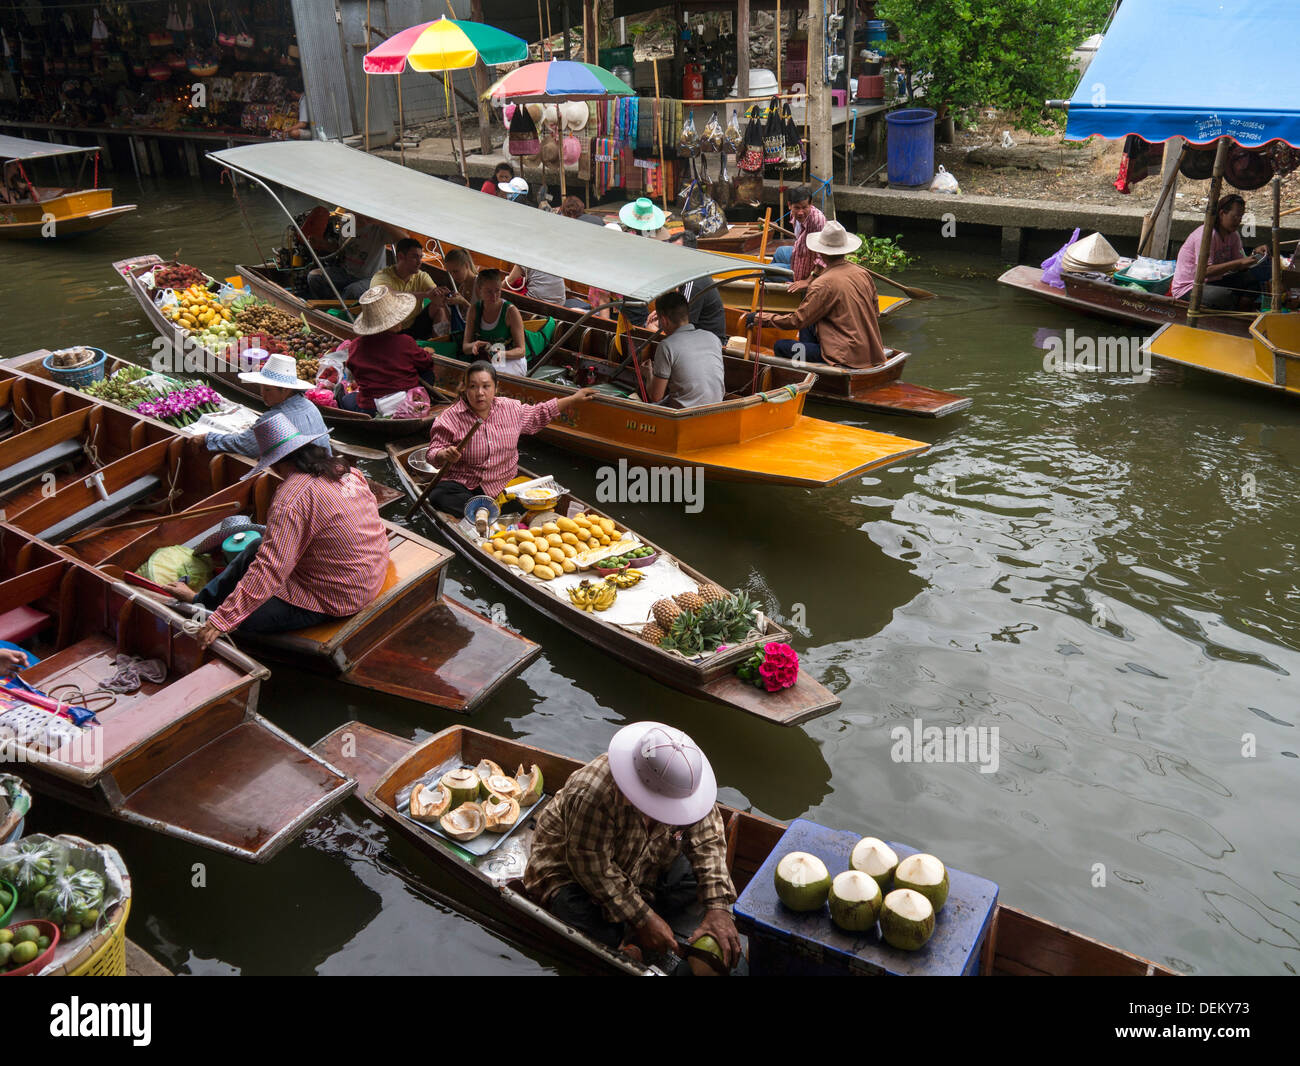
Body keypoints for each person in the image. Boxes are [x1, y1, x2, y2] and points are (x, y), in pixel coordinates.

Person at [523, 721, 742, 972]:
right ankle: (626, 941)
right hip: (573, 872)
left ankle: (652, 932)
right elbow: (593, 870)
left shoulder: (686, 786)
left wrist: (718, 908)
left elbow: (708, 841)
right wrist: (643, 918)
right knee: (580, 918)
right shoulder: (593, 792)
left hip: (646, 867)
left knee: (695, 883)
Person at [167, 413, 391, 649]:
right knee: (256, 546)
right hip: (370, 569)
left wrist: (223, 619)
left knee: (243, 620)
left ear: (274, 463)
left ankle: (209, 610)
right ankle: (202, 600)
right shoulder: (344, 471)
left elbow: (272, 567)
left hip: (337, 596)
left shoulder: (291, 498)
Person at [424, 361, 595, 516]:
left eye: (486, 386)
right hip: (467, 485)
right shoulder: (450, 417)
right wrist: (444, 454)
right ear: (465, 389)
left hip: (504, 485)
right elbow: (432, 453)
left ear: (495, 388)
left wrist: (573, 399)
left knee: (537, 501)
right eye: (473, 387)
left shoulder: (510, 408)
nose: (480, 393)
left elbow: (540, 413)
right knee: (439, 495)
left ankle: (485, 513)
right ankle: (484, 512)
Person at [750, 221, 887, 367]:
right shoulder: (863, 274)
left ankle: (803, 371)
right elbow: (875, 312)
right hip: (869, 349)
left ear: (820, 253)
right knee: (808, 325)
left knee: (781, 346)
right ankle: (807, 361)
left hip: (843, 356)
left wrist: (760, 318)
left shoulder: (822, 283)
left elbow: (796, 321)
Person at [201, 351, 333, 458]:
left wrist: (208, 438)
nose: (262, 394)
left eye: (268, 389)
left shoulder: (275, 419)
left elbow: (245, 446)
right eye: (262, 388)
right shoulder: (310, 406)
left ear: (286, 390)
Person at [339, 286, 433, 413]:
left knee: (347, 399)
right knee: (428, 374)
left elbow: (355, 374)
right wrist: (427, 353)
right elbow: (426, 362)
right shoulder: (406, 342)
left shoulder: (355, 346)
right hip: (404, 404)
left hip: (370, 407)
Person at [1171, 193, 1271, 310]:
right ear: (1222, 213)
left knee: (1252, 283)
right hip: (1189, 287)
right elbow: (1205, 271)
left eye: (1241, 216)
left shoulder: (1233, 235)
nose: (1238, 220)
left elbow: (1239, 266)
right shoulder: (1206, 235)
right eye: (1235, 216)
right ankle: (1234, 314)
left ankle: (1239, 315)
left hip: (1214, 282)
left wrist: (1255, 254)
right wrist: (1240, 263)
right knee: (1225, 297)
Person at [645, 291, 724, 408]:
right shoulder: (713, 338)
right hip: (717, 410)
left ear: (664, 321)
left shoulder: (666, 346)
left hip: (684, 416)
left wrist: (648, 374)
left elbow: (656, 396)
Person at [307, 213, 399, 301]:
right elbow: (341, 249)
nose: (359, 217)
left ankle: (338, 309)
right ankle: (327, 305)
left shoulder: (378, 229)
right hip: (346, 273)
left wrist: (380, 222)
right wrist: (323, 244)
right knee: (314, 277)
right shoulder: (347, 222)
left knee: (352, 291)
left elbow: (404, 238)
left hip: (371, 278)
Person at [370, 237, 443, 339]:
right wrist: (425, 295)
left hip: (414, 326)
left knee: (438, 306)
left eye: (420, 257)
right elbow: (389, 295)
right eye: (415, 257)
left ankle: (438, 346)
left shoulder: (422, 276)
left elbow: (434, 292)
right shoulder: (381, 277)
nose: (419, 262)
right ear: (400, 256)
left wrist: (442, 294)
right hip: (389, 330)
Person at [664, 230, 727, 342]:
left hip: (709, 344)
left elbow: (681, 324)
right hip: (699, 336)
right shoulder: (692, 274)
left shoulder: (693, 282)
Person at [463, 268, 528, 374]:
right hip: (486, 362)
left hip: (511, 361)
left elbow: (521, 351)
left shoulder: (511, 311)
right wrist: (474, 345)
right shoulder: (474, 310)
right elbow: (465, 347)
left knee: (492, 377)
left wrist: (502, 354)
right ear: (479, 290)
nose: (494, 296)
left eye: (497, 290)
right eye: (489, 291)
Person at [770, 187, 826, 282]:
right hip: (801, 254)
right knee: (780, 251)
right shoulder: (793, 214)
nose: (800, 213)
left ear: (811, 205)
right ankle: (776, 281)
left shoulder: (817, 221)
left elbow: (823, 256)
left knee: (764, 271)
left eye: (804, 207)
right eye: (797, 208)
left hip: (807, 270)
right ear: (789, 205)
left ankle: (790, 282)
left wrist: (807, 281)